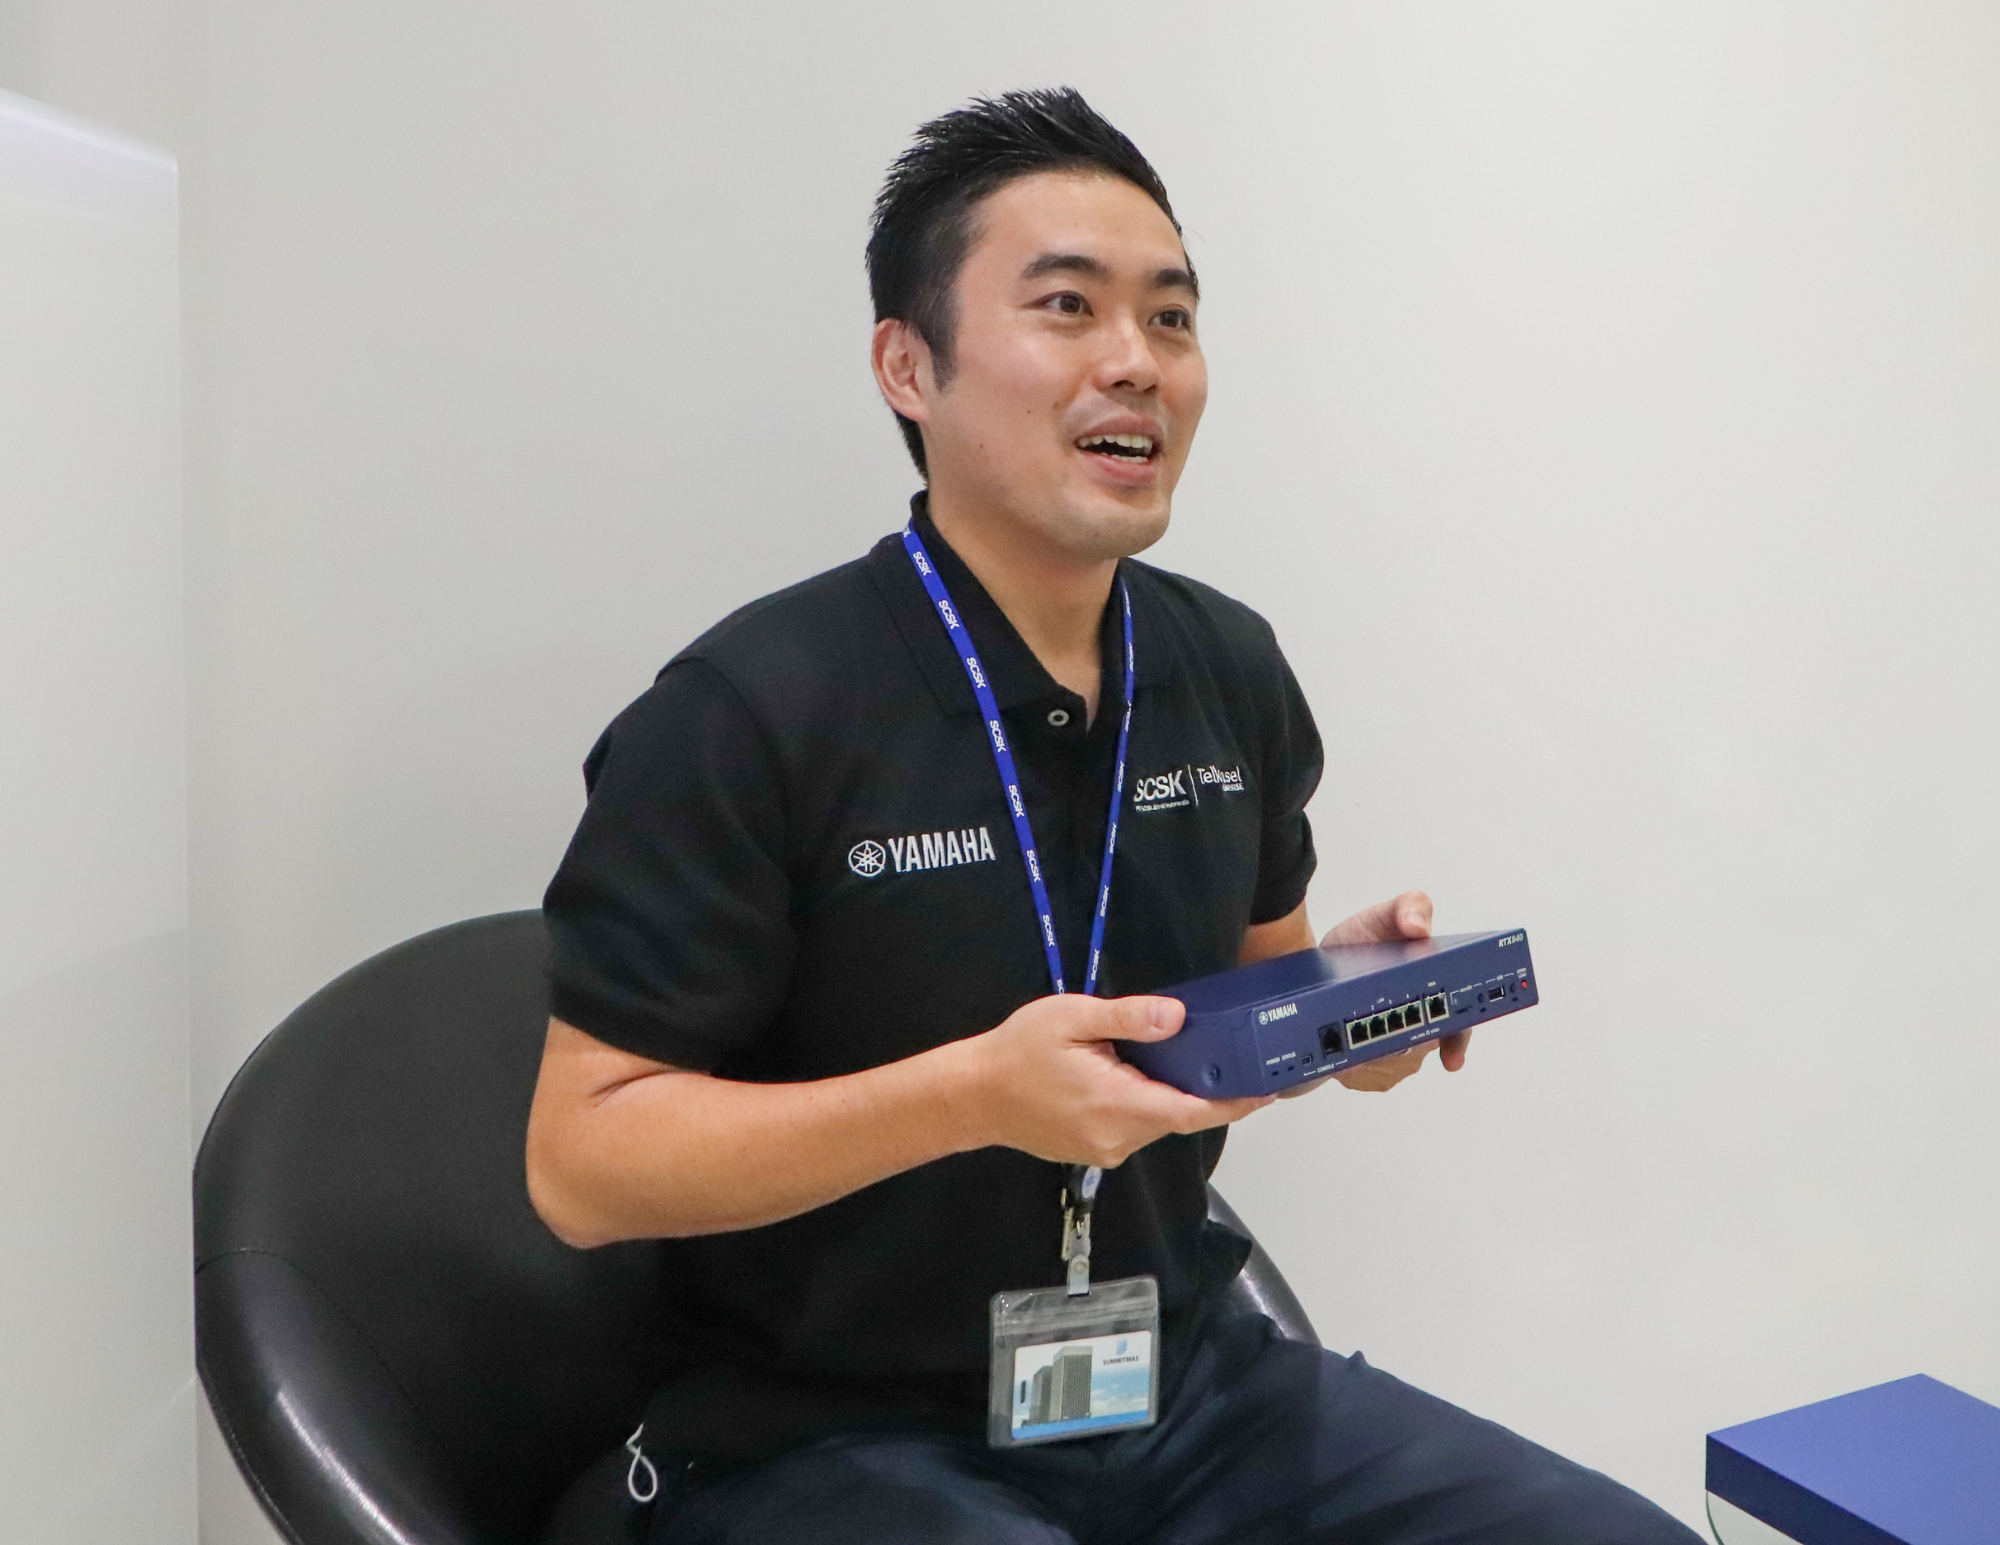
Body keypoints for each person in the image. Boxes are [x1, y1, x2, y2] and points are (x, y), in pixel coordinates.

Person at [529, 88, 1698, 1545]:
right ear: (909, 366)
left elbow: (1249, 999)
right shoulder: (748, 710)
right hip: (822, 1436)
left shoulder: (1224, 665)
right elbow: (581, 1167)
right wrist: (975, 1097)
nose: (1135, 362)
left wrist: (1355, 1014)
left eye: (1171, 318)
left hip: (1176, 1386)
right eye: (1068, 307)